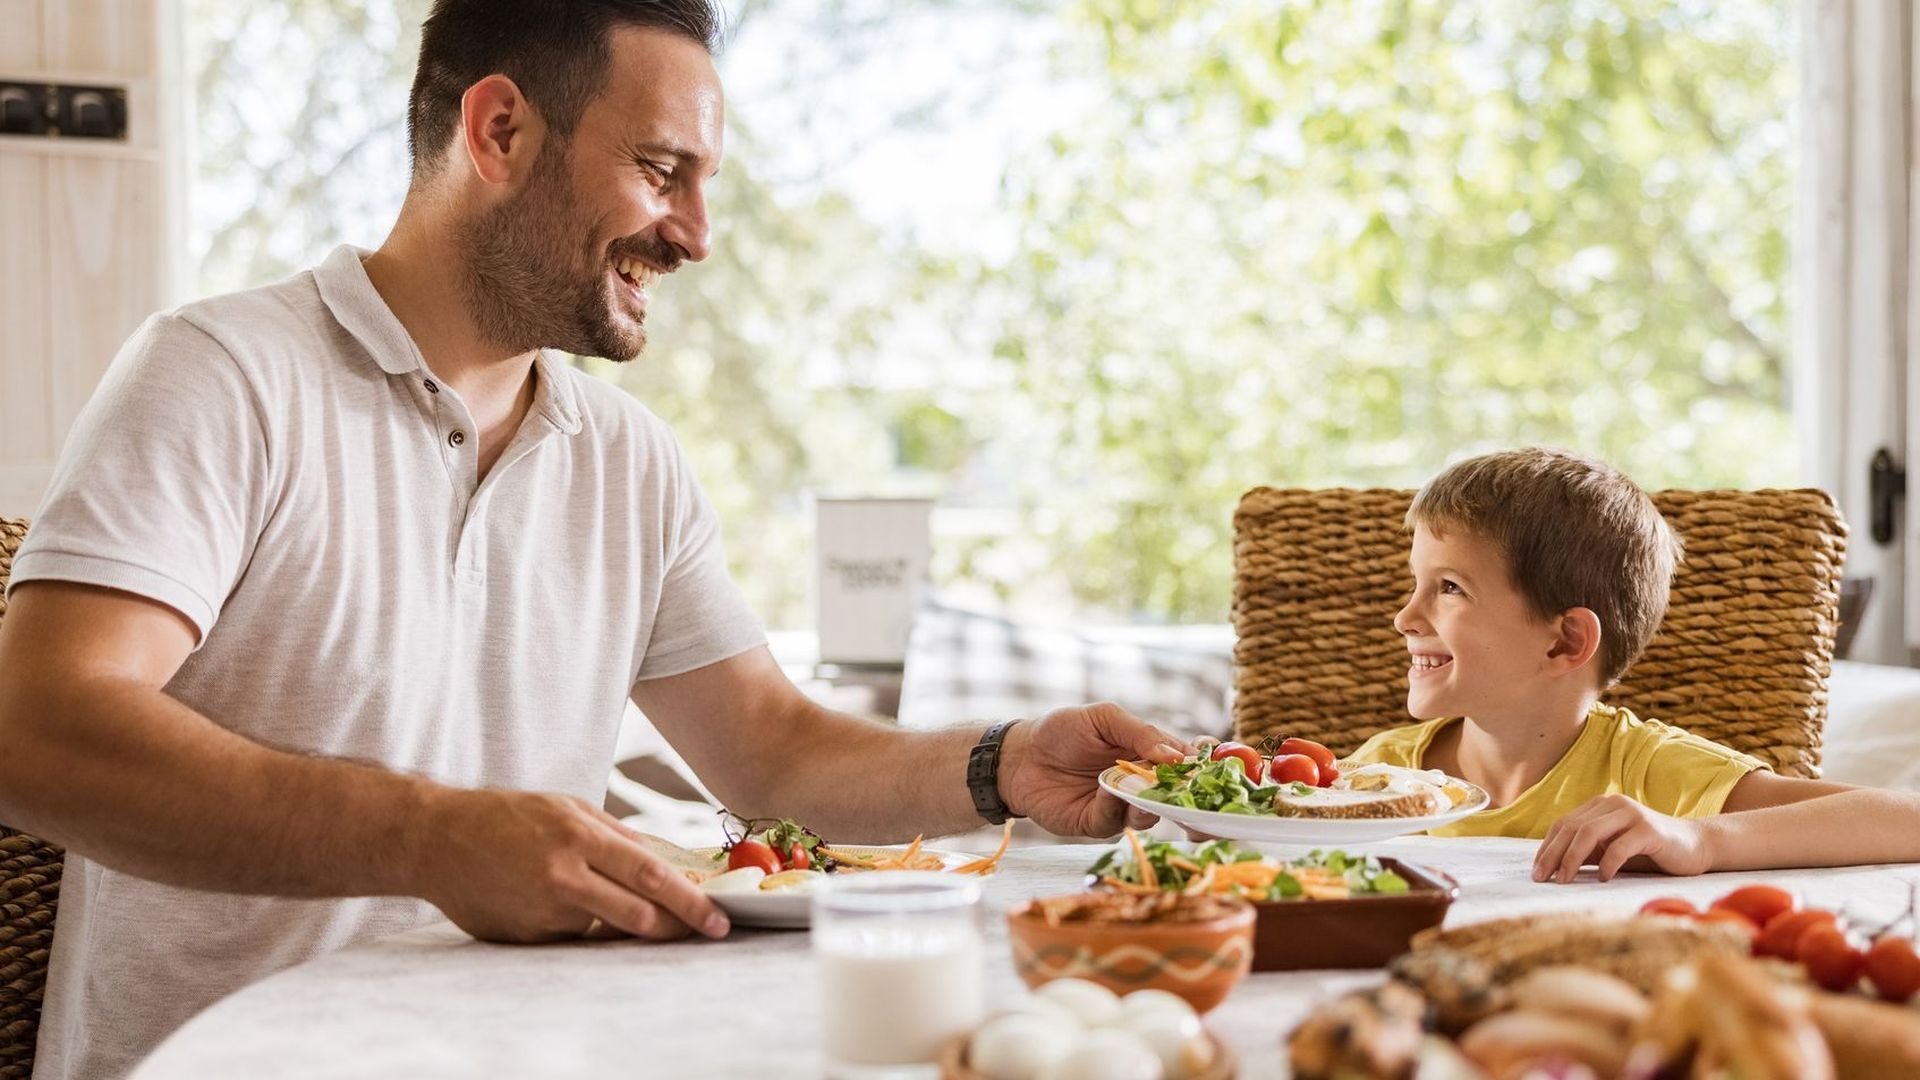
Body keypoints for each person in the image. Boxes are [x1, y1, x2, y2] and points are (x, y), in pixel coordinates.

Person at [0, 4, 1186, 1077]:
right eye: (662, 171)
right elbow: (35, 733)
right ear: (501, 131)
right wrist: (430, 837)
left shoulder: (628, 459)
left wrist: (1003, 764)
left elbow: (771, 752)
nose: (697, 236)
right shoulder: (221, 376)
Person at [1342, 447, 1920, 884]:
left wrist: (1700, 839)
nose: (1405, 617)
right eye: (1417, 584)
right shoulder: (1379, 773)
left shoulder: (1649, 773)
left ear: (1564, 643)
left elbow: (1910, 818)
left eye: (1449, 588)